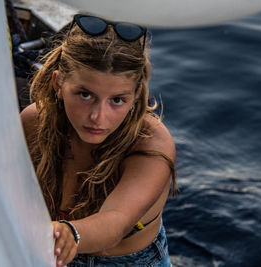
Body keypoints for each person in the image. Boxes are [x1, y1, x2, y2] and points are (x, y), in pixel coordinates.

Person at [20, 14, 177, 267]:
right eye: (84, 94)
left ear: (136, 95)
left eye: (117, 100)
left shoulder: (151, 145)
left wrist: (69, 233)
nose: (98, 117)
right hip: (47, 250)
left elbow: (116, 221)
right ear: (58, 83)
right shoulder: (32, 124)